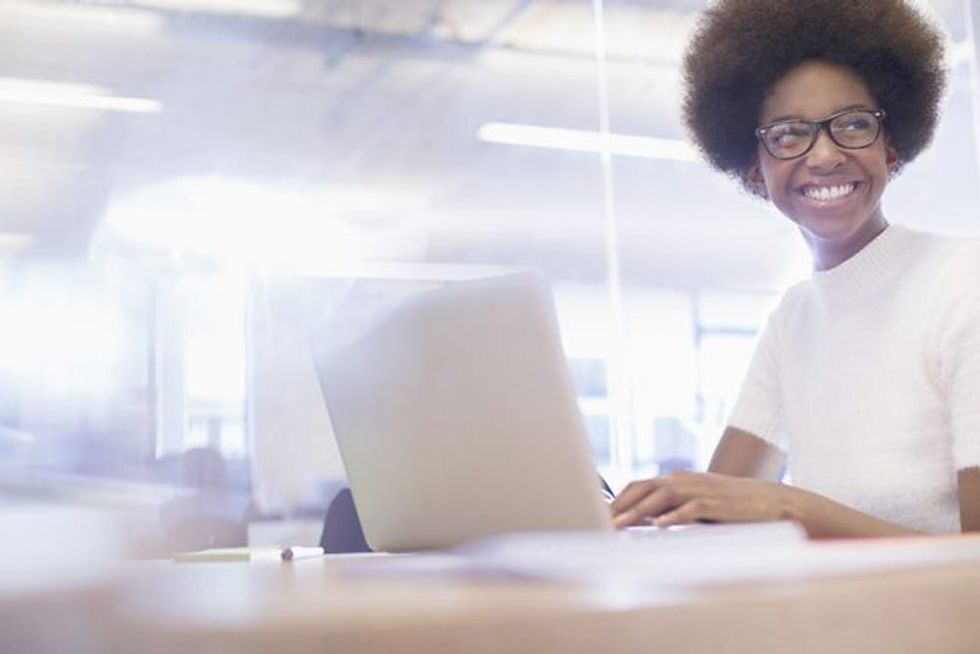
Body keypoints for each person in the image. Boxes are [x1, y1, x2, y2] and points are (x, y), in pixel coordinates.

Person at [611, 0, 980, 538]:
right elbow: (719, 504)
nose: (825, 156)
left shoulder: (964, 281)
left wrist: (793, 509)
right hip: (826, 617)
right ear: (755, 173)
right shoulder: (794, 319)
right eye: (788, 134)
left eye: (853, 125)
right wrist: (635, 511)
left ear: (891, 148)